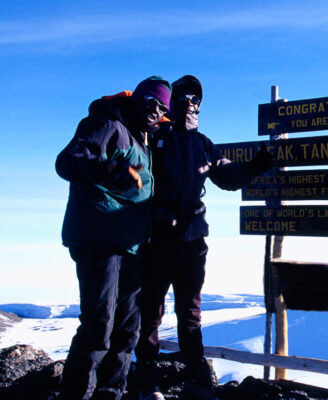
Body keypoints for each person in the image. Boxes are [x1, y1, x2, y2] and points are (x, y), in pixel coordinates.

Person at [134, 75, 273, 399]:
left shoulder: (204, 144)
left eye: (195, 98)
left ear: (200, 104)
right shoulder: (155, 137)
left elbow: (226, 177)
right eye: (183, 96)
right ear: (173, 101)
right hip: (158, 239)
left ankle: (196, 379)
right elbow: (140, 178)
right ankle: (147, 380)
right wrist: (158, 211)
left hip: (193, 239)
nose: (189, 102)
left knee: (190, 312)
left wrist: (255, 167)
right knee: (150, 310)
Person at [56, 76, 172, 400]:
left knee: (127, 328)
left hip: (131, 243)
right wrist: (110, 170)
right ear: (137, 98)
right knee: (99, 325)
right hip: (99, 237)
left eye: (161, 106)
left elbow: (142, 190)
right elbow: (68, 161)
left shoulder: (143, 140)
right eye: (150, 101)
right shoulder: (107, 123)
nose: (155, 109)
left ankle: (110, 393)